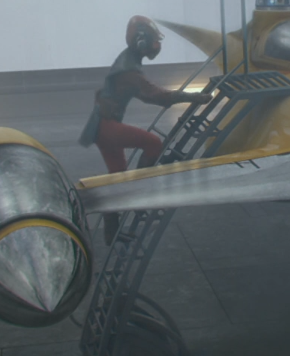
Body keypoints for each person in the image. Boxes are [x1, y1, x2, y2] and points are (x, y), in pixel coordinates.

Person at [82, 16, 213, 244]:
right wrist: (194, 97)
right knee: (153, 144)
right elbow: (157, 96)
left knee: (118, 178)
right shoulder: (129, 71)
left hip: (101, 126)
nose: (156, 46)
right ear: (140, 41)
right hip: (106, 127)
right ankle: (141, 194)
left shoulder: (128, 61)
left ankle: (111, 232)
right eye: (152, 41)